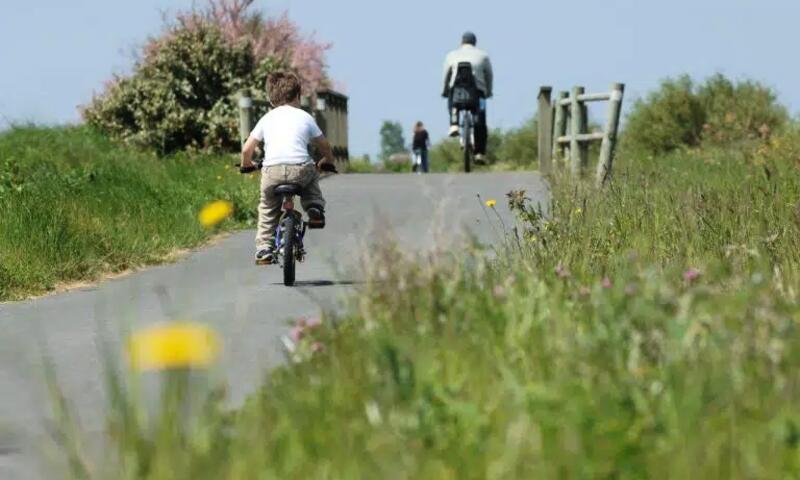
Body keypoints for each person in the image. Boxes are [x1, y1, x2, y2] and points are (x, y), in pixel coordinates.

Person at [240, 71, 335, 265]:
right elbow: (324, 145)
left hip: (272, 171)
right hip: (300, 169)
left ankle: (264, 248)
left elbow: (246, 149)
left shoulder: (267, 118)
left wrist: (246, 165)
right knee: (311, 177)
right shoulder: (305, 117)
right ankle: (315, 208)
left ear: (271, 98)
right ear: (298, 96)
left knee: (267, 207)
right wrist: (327, 160)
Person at [441, 31, 493, 163]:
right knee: (480, 120)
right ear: (475, 43)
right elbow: (489, 75)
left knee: (451, 99)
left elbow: (446, 76)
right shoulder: (483, 56)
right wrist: (488, 91)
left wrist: (445, 91)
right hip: (478, 94)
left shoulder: (451, 55)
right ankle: (479, 153)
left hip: (457, 92)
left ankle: (454, 124)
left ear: (461, 42)